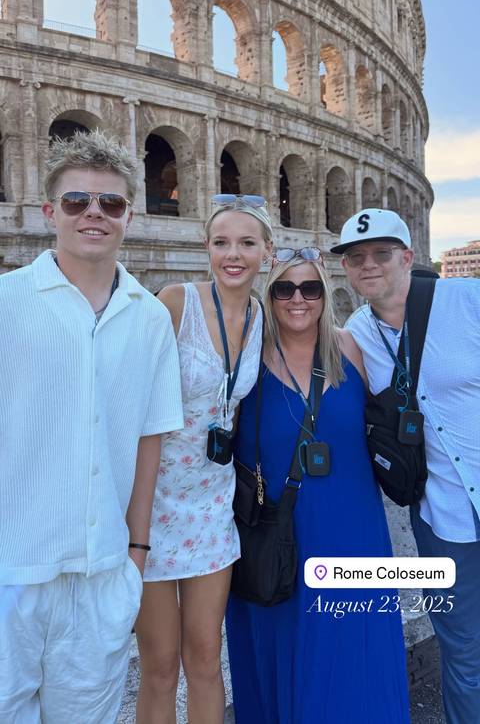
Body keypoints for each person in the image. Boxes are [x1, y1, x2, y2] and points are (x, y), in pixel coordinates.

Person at [0, 130, 184, 722]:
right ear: (51, 211)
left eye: (110, 203)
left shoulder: (151, 318)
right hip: (12, 568)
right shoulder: (7, 300)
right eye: (77, 201)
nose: (94, 214)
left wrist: (135, 553)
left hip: (104, 571)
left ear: (130, 214)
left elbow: (150, 437)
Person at [226, 248, 410, 724]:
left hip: (355, 529)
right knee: (283, 643)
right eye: (284, 289)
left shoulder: (352, 348)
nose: (298, 299)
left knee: (355, 643)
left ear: (325, 295)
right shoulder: (249, 358)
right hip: (279, 533)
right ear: (269, 296)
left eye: (310, 288)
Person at [334, 207, 480, 724]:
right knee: (463, 654)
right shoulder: (356, 334)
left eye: (380, 254)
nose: (368, 265)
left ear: (408, 257)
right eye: (356, 258)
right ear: (347, 270)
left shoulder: (468, 301)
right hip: (441, 517)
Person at [135, 194, 273, 724]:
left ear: (267, 252)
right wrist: (135, 530)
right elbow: (134, 411)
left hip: (212, 509)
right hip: (150, 505)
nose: (231, 254)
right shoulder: (175, 302)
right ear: (206, 249)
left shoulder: (265, 317)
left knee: (206, 661)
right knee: (159, 666)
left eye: (245, 243)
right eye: (221, 243)